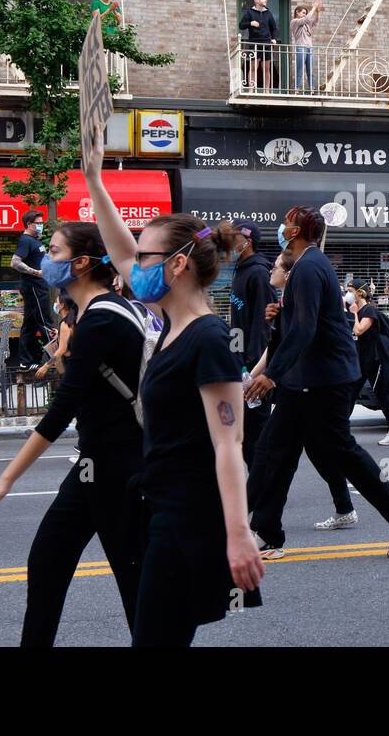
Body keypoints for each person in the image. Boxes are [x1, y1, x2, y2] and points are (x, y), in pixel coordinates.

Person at [82, 127, 264, 646]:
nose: (132, 268)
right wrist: (95, 179)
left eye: (146, 257)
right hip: (160, 508)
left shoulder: (207, 338)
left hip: (189, 519)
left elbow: (230, 444)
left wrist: (239, 534)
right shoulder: (168, 323)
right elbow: (120, 252)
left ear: (177, 264)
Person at [0, 222, 146, 646]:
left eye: (53, 251)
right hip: (95, 464)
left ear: (81, 263)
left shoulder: (102, 319)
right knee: (48, 561)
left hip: (119, 468)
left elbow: (61, 410)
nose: (45, 260)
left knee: (134, 584)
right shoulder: (99, 312)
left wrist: (4, 481)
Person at [245, 205, 389, 559]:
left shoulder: (309, 267)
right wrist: (280, 315)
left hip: (321, 381)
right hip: (308, 380)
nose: (282, 227)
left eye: (287, 222)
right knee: (275, 452)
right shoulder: (306, 266)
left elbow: (306, 329)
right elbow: (305, 321)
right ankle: (264, 531)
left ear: (298, 230)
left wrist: (271, 375)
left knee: (335, 452)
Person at [248, 250, 358, 534]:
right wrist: (256, 375)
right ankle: (262, 524)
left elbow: (300, 337)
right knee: (279, 452)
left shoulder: (306, 287)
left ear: (288, 273)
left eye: (275, 266)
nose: (270, 269)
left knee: (326, 449)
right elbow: (275, 348)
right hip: (298, 385)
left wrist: (266, 377)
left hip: (313, 384)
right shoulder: (286, 302)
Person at [228, 219, 274, 467]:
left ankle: (263, 492)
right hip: (240, 361)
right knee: (245, 438)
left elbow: (263, 324)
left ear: (247, 241)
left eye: (235, 237)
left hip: (253, 367)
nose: (231, 242)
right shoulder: (241, 269)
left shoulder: (257, 273)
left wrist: (255, 368)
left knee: (255, 434)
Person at [347, 278, 389, 446]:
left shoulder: (368, 310)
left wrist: (353, 313)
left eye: (350, 291)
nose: (348, 294)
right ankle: (339, 429)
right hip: (364, 360)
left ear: (360, 293)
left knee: (382, 394)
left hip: (378, 359)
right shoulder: (360, 310)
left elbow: (359, 330)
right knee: (351, 393)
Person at [12, 210, 51, 370]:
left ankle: (27, 361)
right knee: (45, 322)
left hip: (38, 285)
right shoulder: (26, 240)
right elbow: (14, 262)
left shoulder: (36, 241)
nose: (41, 226)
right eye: (39, 223)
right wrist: (36, 273)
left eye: (42, 223)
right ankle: (55, 359)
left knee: (31, 324)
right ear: (29, 224)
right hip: (34, 286)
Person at [239, 0, 279, 90]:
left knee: (266, 68)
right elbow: (241, 25)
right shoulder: (250, 12)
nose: (266, 0)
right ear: (257, 1)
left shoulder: (268, 13)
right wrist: (250, 23)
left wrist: (274, 39)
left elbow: (274, 28)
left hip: (266, 43)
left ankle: (267, 91)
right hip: (254, 43)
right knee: (253, 68)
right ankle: (251, 89)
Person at [35, 294, 77, 379]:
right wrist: (59, 334)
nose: (55, 304)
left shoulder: (65, 324)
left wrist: (46, 366)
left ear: (62, 305)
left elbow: (62, 349)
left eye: (56, 302)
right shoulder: (73, 320)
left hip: (70, 365)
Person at [291, 1, 323, 91]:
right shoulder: (294, 21)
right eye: (303, 13)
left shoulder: (306, 23)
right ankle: (297, 88)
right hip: (301, 47)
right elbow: (306, 19)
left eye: (306, 13)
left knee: (310, 70)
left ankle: (312, 88)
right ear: (297, 12)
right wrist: (313, 8)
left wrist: (317, 11)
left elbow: (315, 21)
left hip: (310, 48)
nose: (305, 15)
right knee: (300, 69)